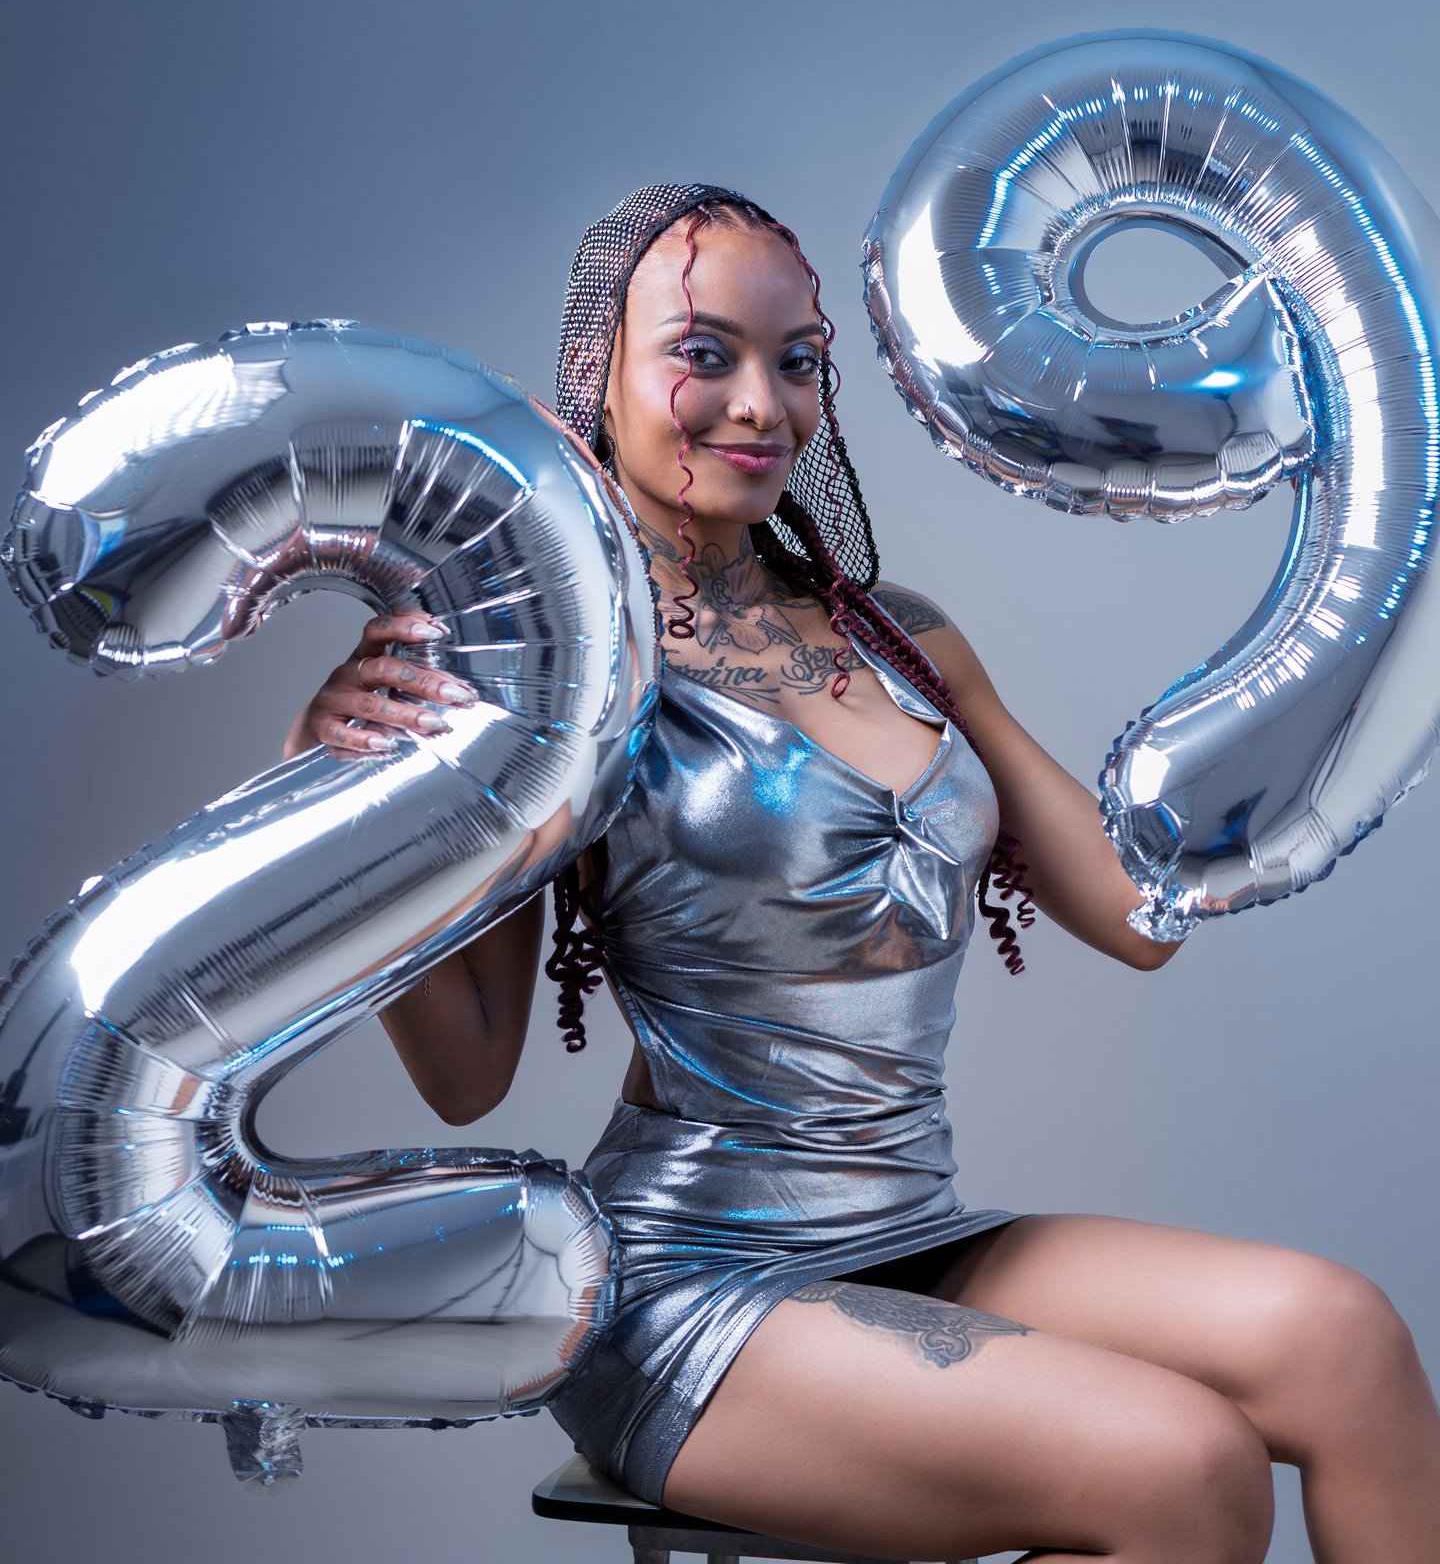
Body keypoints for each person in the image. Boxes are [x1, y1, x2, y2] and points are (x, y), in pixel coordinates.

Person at [284, 185, 1440, 1564]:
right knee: (1183, 1468)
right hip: (692, 1284)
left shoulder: (903, 644)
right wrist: (347, 806)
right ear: (597, 374)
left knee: (1345, 1341)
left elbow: (1140, 922)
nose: (761, 404)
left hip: (912, 1232)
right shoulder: (545, 670)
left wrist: (1318, 698)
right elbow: (467, 1072)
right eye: (704, 354)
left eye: (797, 361)